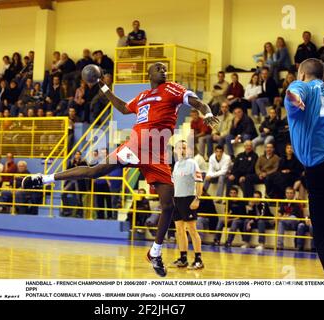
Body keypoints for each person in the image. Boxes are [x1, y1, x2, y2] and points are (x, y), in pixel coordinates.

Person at [22, 62, 219, 277]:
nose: (164, 71)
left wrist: (206, 113)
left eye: (165, 69)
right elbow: (124, 107)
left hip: (158, 153)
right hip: (136, 145)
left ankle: (155, 252)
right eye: (159, 68)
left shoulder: (172, 88)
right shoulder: (143, 96)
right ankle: (44, 178)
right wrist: (103, 86)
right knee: (95, 171)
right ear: (149, 73)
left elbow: (197, 102)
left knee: (168, 204)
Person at [285, 57, 324, 278]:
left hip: (320, 169)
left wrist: (295, 99)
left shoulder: (300, 86)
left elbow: (294, 92)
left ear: (301, 73)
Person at [170, 140, 204, 270]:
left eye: (184, 148)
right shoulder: (176, 165)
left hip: (188, 199)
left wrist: (197, 199)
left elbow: (199, 181)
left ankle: (198, 259)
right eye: (180, 148)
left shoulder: (192, 163)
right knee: (179, 230)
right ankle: (183, 258)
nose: (182, 150)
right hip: (177, 200)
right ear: (176, 150)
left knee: (192, 230)